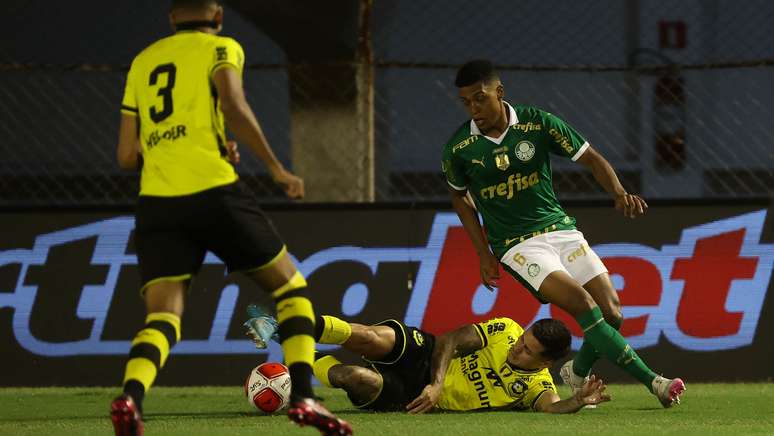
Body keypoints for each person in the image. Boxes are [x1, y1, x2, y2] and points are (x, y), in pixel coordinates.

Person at [111, 1, 352, 435]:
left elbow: (127, 155)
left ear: (171, 17)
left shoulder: (142, 62)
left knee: (163, 318)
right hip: (213, 193)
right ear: (217, 15)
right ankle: (304, 397)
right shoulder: (222, 47)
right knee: (291, 288)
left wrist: (181, 147)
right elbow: (235, 106)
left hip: (157, 203)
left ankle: (131, 397)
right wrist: (276, 168)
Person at [440, 59, 685, 408]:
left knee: (612, 314)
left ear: (499, 92)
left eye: (480, 98)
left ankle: (576, 370)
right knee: (585, 306)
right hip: (516, 244)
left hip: (560, 230)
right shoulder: (460, 148)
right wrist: (483, 253)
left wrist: (618, 193)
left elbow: (591, 158)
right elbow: (460, 197)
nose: (473, 108)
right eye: (466, 102)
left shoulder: (537, 123)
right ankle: (655, 382)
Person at [246, 310, 610, 413]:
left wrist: (576, 401)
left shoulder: (535, 386)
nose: (517, 349)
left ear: (546, 362)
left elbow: (551, 407)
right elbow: (451, 339)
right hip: (429, 354)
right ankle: (284, 327)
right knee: (370, 336)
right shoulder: (506, 330)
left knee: (352, 376)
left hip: (411, 395)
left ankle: (304, 358)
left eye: (528, 352)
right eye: (522, 341)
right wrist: (437, 383)